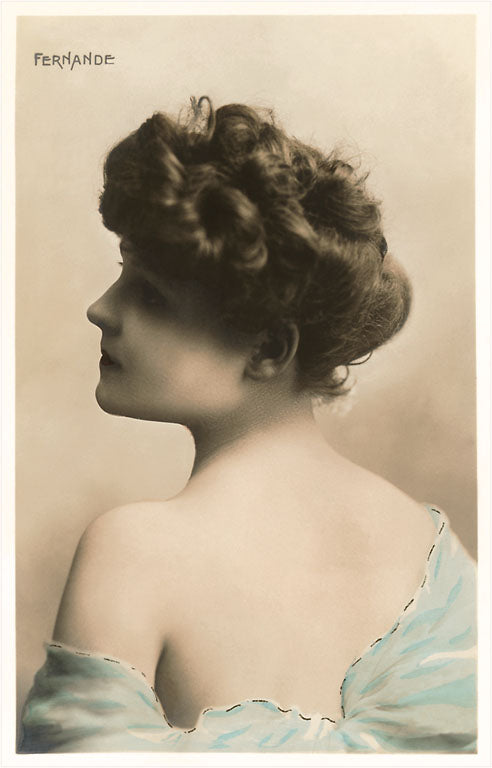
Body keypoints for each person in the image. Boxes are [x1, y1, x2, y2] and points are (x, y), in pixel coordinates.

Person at [19, 98, 476, 753]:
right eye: (123, 274)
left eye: (152, 295)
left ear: (269, 348)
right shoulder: (434, 551)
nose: (101, 309)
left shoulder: (134, 550)